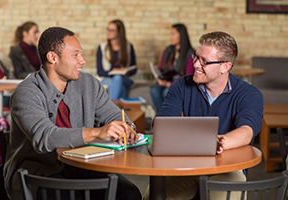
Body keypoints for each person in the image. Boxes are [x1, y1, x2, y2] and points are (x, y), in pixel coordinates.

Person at [4, 27, 142, 200]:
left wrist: (126, 127)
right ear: (52, 57)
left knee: (129, 194)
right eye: (75, 55)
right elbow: (44, 137)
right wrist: (96, 132)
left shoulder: (89, 84)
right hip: (39, 173)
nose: (82, 61)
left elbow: (113, 115)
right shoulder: (27, 92)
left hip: (82, 166)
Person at [144, 31, 264, 200]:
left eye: (204, 61)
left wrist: (220, 142)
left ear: (225, 66)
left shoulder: (248, 93)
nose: (196, 64)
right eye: (196, 57)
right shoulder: (181, 86)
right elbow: (162, 123)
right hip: (186, 166)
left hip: (228, 168)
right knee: (153, 197)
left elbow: (247, 130)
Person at [150, 23, 194, 112]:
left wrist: (169, 84)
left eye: (173, 34)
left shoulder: (190, 53)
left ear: (181, 35)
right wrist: (157, 70)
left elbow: (188, 76)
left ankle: (170, 117)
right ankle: (162, 117)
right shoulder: (168, 50)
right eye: (171, 34)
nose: (171, 37)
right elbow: (163, 68)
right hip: (166, 81)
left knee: (167, 92)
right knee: (154, 90)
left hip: (180, 84)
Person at [96, 19, 136, 100]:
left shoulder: (128, 47)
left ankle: (110, 109)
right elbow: (100, 72)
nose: (108, 32)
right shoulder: (102, 47)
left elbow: (134, 68)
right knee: (120, 87)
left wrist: (125, 72)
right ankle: (119, 111)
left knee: (118, 78)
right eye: (107, 29)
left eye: (111, 30)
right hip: (107, 78)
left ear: (119, 32)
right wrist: (113, 72)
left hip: (125, 79)